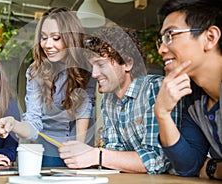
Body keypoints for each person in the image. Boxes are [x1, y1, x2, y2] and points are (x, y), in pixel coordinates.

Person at [58, 26, 182, 174]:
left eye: (101, 64)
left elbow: (156, 160)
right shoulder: (109, 100)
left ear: (127, 63)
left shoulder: (154, 89)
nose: (94, 74)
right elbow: (114, 151)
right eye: (92, 66)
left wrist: (97, 155)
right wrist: (92, 155)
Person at [0, 7, 96, 167]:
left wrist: (80, 152)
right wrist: (13, 123)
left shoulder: (87, 65)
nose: (47, 44)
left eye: (56, 38)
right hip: (47, 149)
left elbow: (84, 110)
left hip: (80, 147)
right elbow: (33, 121)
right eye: (44, 37)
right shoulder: (35, 71)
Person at [154, 0, 222, 180]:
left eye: (170, 35)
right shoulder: (196, 99)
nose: (161, 49)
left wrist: (211, 168)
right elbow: (188, 166)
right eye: (162, 39)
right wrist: (162, 113)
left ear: (210, 37)